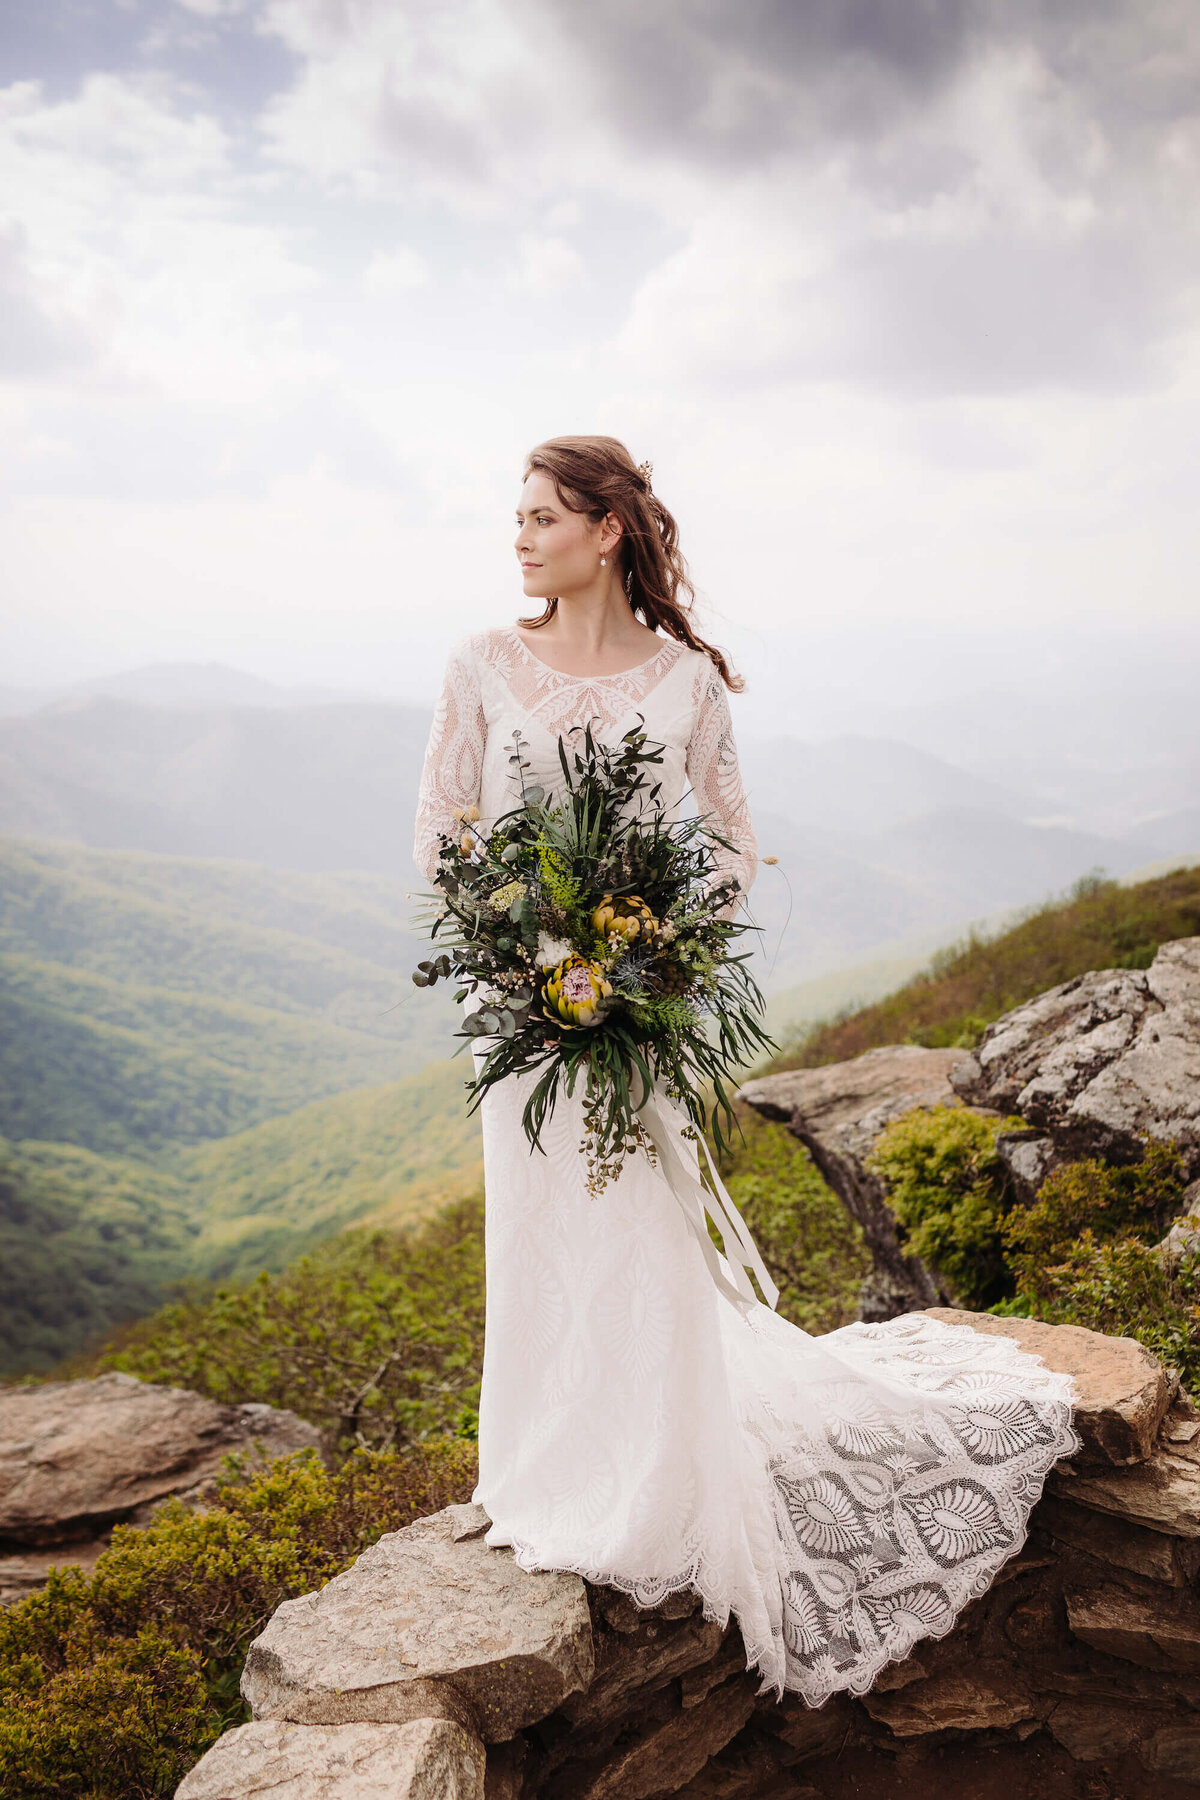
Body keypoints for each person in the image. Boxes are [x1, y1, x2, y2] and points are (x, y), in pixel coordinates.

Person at [413, 434, 1077, 1706]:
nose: (520, 537)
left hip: (635, 1014)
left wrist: (655, 961)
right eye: (517, 518)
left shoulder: (685, 685)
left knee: (640, 1237)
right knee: (545, 1233)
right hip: (527, 1022)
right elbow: (445, 828)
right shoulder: (480, 665)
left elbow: (727, 846)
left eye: (543, 516)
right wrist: (521, 955)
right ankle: (546, 1472)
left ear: (607, 530)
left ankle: (656, 1486)